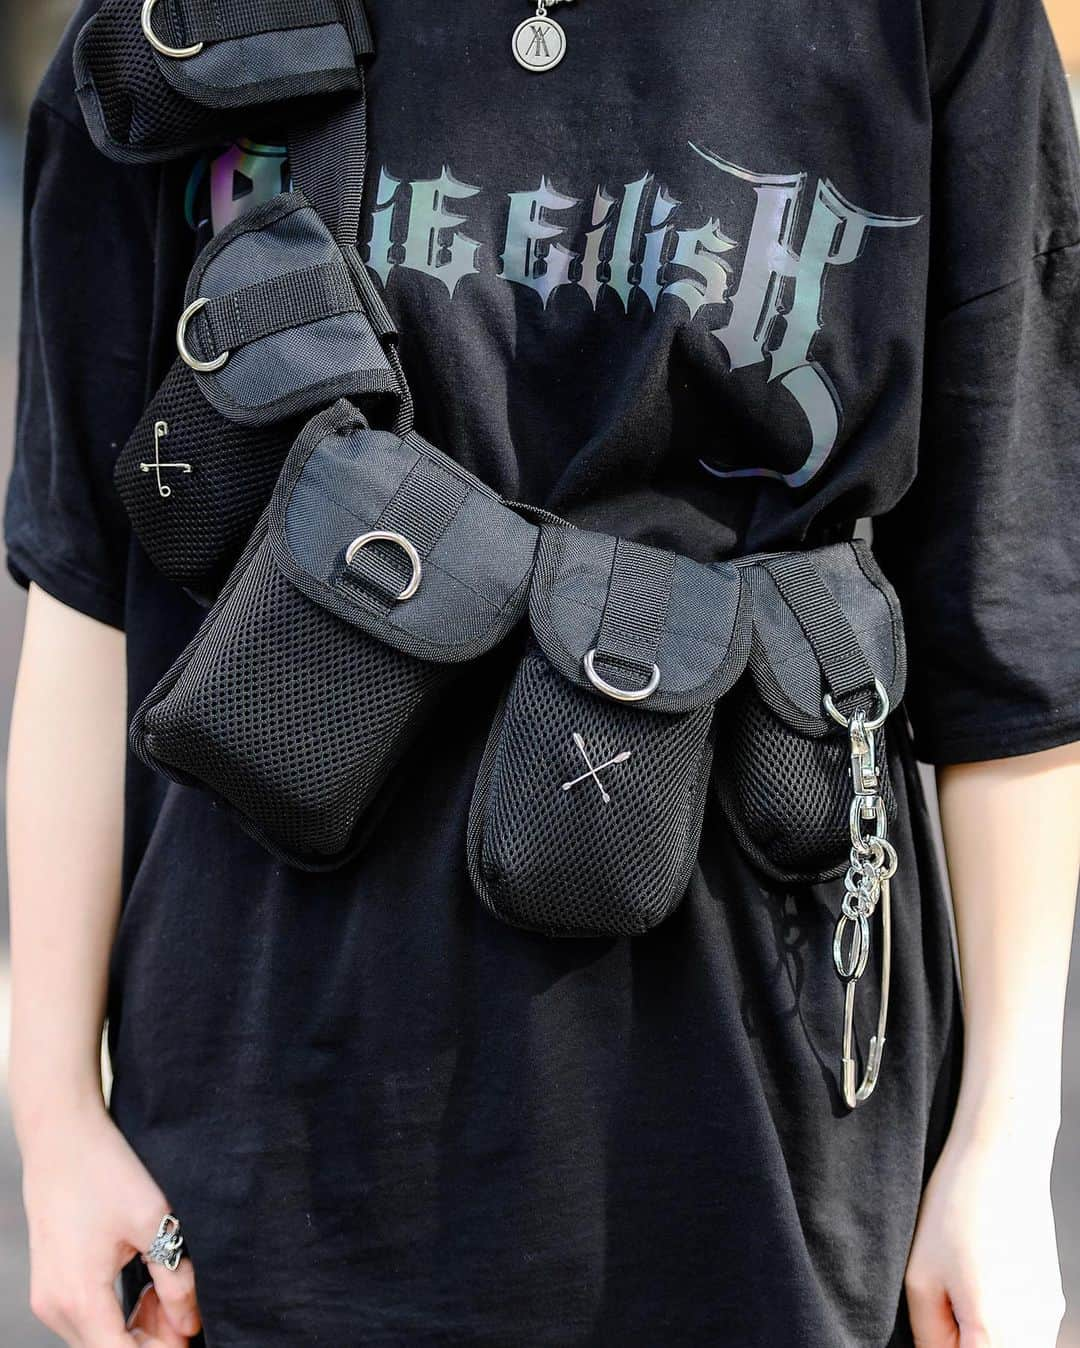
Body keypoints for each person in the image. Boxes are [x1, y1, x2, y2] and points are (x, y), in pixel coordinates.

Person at [5, 1, 1080, 1344]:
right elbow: (85, 578)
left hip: (767, 1142)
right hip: (261, 1134)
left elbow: (1015, 625)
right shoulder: (168, 26)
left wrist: (1002, 1145)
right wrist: (48, 1103)